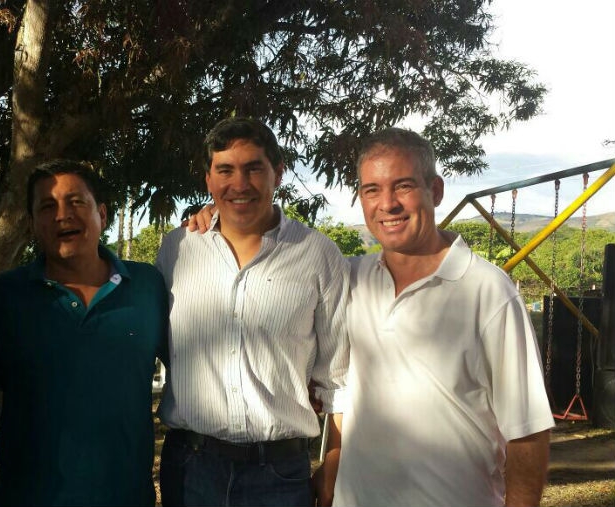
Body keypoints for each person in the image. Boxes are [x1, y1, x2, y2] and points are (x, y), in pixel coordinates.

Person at [332, 128, 553, 506]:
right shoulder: (351, 279)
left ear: (435, 190)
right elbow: (341, 390)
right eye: (371, 190)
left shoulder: (487, 291)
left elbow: (528, 430)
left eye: (403, 186)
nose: (387, 204)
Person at [155, 117, 350, 507]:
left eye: (253, 168)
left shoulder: (318, 254)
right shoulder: (177, 249)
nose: (239, 184)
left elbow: (340, 378)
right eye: (225, 170)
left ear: (278, 173)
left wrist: (334, 465)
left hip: (279, 476)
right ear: (208, 180)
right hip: (191, 469)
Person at [0, 160, 168, 506]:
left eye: (76, 202)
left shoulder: (148, 286)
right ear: (31, 224)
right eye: (47, 206)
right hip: (27, 498)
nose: (62, 215)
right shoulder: (5, 295)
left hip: (126, 497)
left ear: (102, 213)